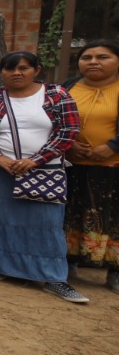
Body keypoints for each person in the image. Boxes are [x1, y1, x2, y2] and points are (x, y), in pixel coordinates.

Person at [0, 51, 83, 302]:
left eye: (24, 68)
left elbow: (68, 131)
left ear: (37, 70)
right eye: (10, 68)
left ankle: (54, 277)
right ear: (2, 72)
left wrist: (36, 160)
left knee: (45, 224)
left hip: (43, 170)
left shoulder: (57, 95)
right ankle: (5, 267)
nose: (16, 73)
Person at [66, 40, 119, 292]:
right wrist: (69, 144)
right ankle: (68, 261)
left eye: (102, 57)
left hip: (113, 168)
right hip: (71, 166)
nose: (94, 62)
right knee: (71, 215)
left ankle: (115, 271)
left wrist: (113, 146)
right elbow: (51, 120)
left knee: (113, 219)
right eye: (87, 57)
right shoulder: (67, 88)